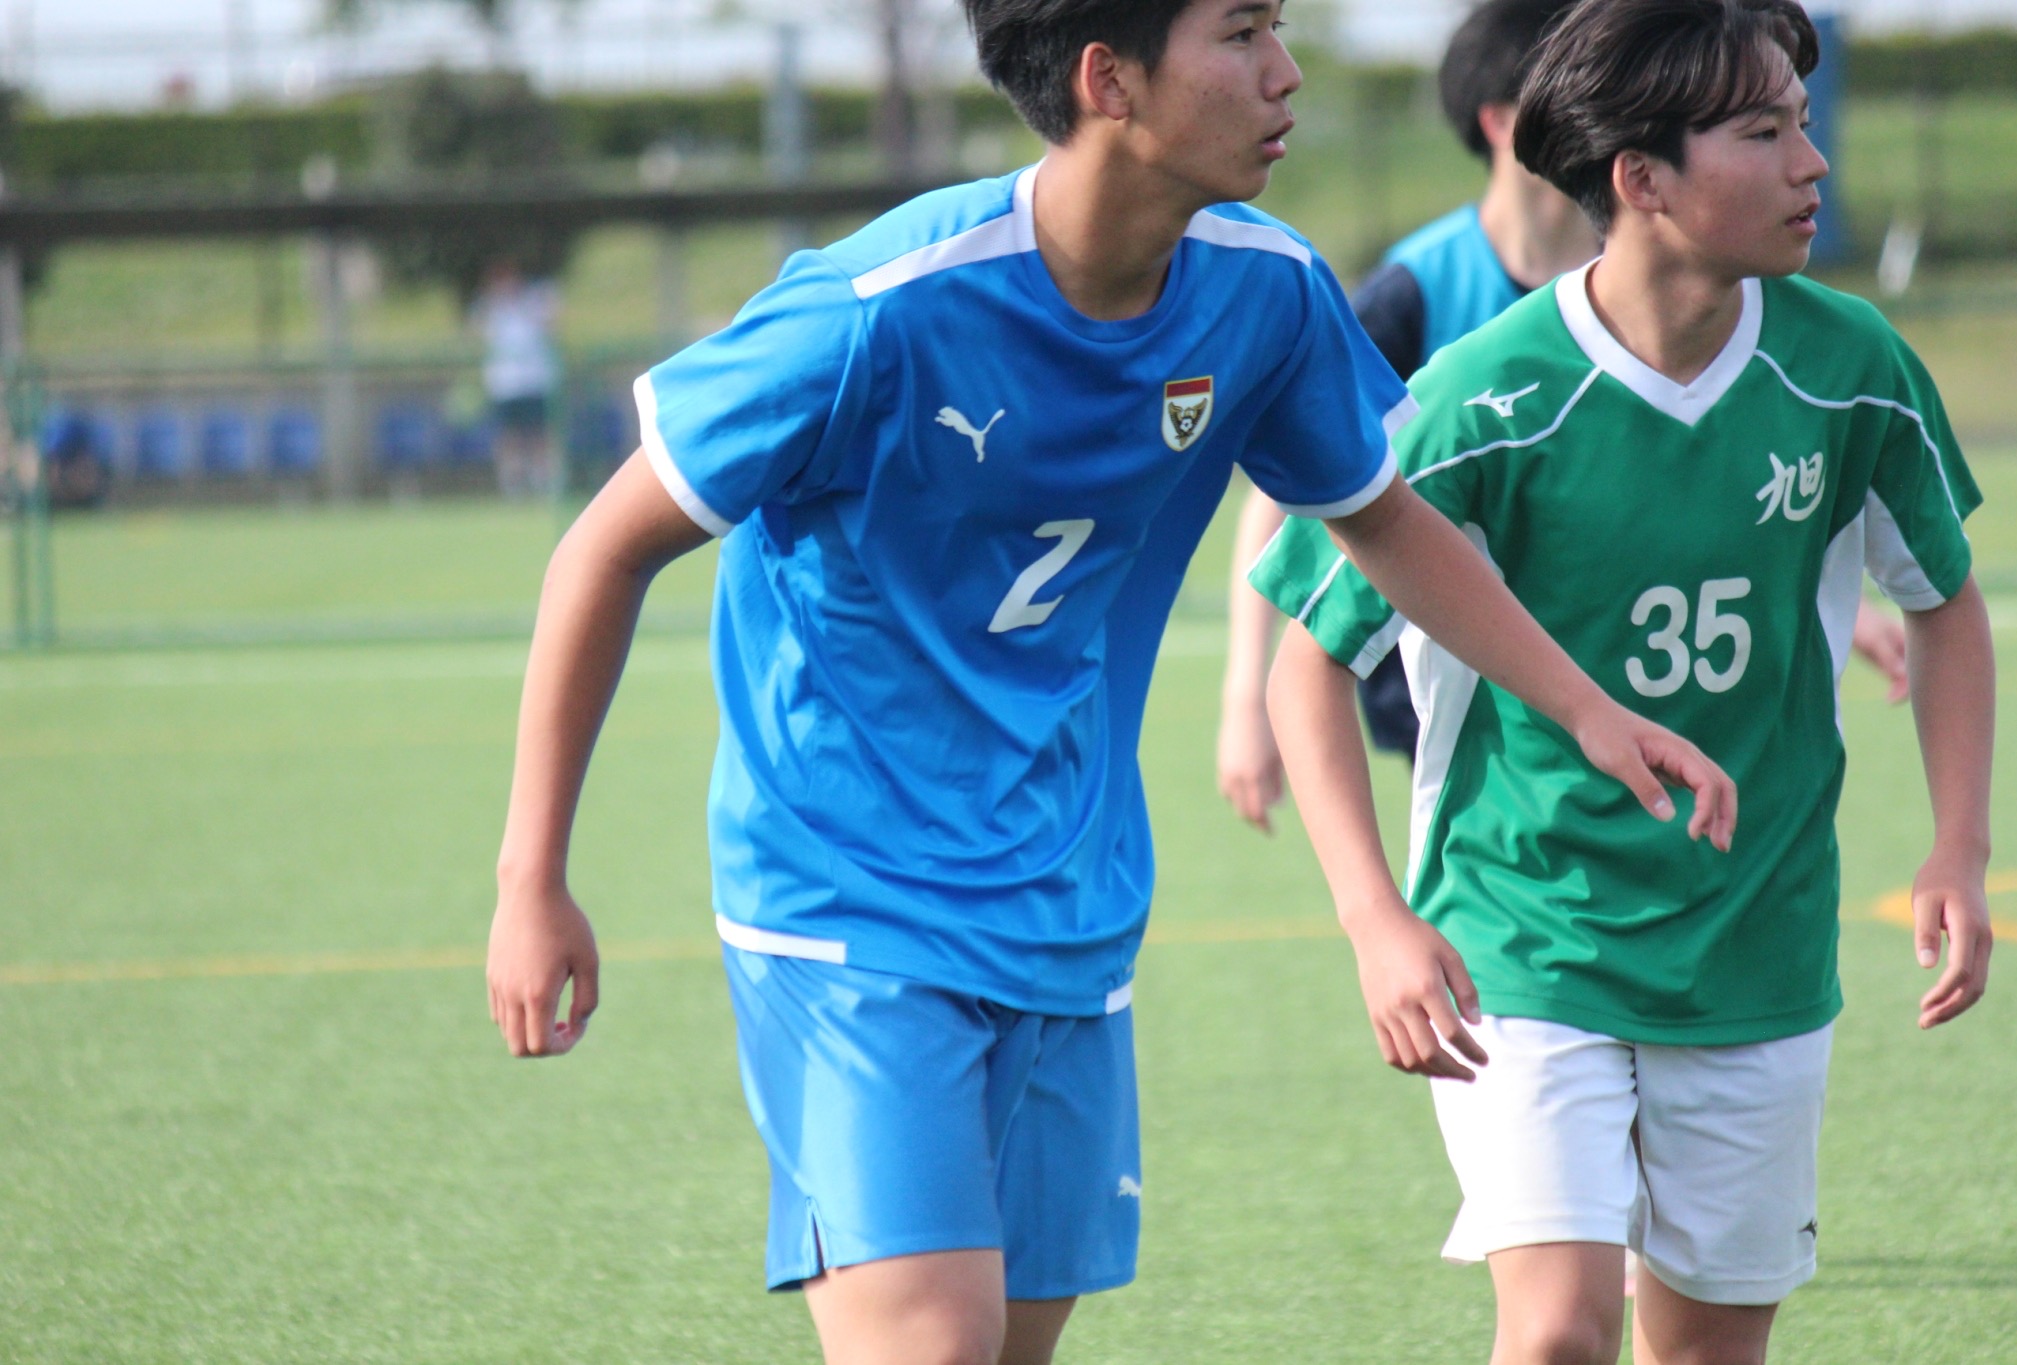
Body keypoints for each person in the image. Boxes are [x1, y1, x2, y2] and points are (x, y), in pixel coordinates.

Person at [484, 2, 1735, 1362]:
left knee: (1009, 1344)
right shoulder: (877, 309)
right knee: (936, 1339)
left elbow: (1386, 521)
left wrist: (1587, 709)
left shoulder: (1264, 292)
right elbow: (602, 550)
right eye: (1241, 34)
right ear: (1108, 80)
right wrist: (529, 880)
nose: (1284, 72)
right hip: (846, 897)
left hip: (1071, 899)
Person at [1250, 3, 1994, 1363]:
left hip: (1757, 936)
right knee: (1556, 1333)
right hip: (1524, 930)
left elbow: (1942, 601)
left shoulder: (1854, 371)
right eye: (1762, 133)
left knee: (1704, 1346)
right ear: (1640, 176)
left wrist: (1959, 845)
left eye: (1804, 125)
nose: (1811, 163)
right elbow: (1308, 657)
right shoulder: (1483, 395)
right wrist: (1373, 921)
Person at [1213, 0, 1908, 833]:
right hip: (1471, 679)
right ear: (1508, 119)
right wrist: (1245, 694)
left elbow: (1684, 497)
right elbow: (1316, 487)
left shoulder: (1673, 282)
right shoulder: (1422, 300)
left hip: (1643, 676)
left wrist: (1827, 604)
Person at [472, 257, 561, 497]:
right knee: (508, 436)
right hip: (504, 385)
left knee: (539, 433)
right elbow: (477, 335)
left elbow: (551, 325)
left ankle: (544, 481)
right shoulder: (489, 307)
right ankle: (514, 483)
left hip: (534, 382)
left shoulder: (534, 300)